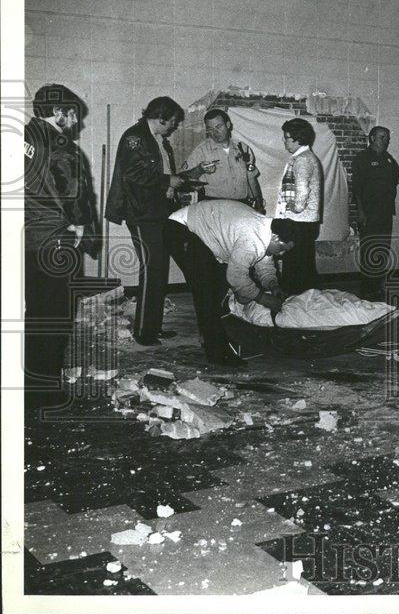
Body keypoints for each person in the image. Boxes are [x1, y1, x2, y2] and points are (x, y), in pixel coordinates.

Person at [23, 83, 97, 416]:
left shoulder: (24, 137)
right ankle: (44, 392)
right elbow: (75, 196)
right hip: (55, 242)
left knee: (35, 314)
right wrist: (82, 228)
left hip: (27, 239)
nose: (76, 123)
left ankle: (29, 381)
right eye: (72, 115)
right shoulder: (62, 147)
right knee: (56, 317)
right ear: (59, 113)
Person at [106, 96, 201, 346]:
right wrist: (168, 181)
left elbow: (159, 174)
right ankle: (144, 332)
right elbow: (133, 173)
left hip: (157, 212)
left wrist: (181, 178)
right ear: (161, 118)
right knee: (151, 269)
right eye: (172, 122)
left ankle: (153, 327)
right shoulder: (134, 137)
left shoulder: (159, 141)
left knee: (158, 270)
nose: (174, 126)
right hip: (140, 213)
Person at [167, 200, 296, 366]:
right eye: (283, 248)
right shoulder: (253, 238)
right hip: (180, 228)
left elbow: (264, 263)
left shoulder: (266, 231)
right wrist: (263, 298)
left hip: (198, 229)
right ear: (276, 237)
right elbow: (236, 277)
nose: (283, 253)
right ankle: (218, 354)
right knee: (206, 290)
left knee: (218, 289)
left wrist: (273, 285)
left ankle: (213, 339)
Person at [273, 118, 323, 294]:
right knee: (302, 264)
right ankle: (302, 302)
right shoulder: (304, 157)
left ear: (297, 139)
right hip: (304, 222)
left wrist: (297, 207)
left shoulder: (302, 159)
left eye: (286, 137)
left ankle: (297, 303)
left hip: (300, 222)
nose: (284, 141)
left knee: (296, 265)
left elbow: (302, 189)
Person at [180, 108, 264, 212]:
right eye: (210, 129)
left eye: (218, 126)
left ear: (228, 125)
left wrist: (258, 203)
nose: (215, 132)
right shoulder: (201, 150)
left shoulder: (243, 148)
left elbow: (251, 178)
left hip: (242, 206)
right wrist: (200, 169)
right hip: (214, 207)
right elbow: (183, 177)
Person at [351, 125, 399, 300]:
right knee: (369, 249)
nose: (385, 141)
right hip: (369, 213)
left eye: (387, 138)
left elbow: (394, 180)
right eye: (381, 137)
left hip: (385, 213)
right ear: (372, 138)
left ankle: (379, 285)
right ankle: (367, 287)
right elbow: (356, 188)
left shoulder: (389, 159)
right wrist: (361, 212)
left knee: (383, 248)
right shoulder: (362, 158)